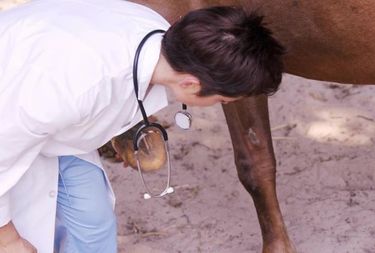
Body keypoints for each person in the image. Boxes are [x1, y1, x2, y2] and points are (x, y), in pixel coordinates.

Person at [0, 0, 285, 252]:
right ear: (190, 84)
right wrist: (9, 240)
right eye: (222, 99)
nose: (222, 105)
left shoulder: (157, 36)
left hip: (47, 125)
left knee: (93, 222)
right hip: (12, 122)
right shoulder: (76, 89)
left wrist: (115, 129)